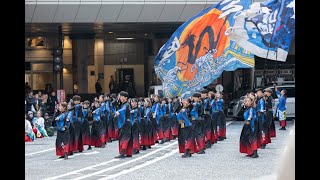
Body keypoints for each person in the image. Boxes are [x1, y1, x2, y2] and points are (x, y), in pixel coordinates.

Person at [115, 91, 133, 158]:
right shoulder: (123, 104)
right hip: (126, 123)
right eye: (120, 96)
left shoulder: (126, 105)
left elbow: (123, 110)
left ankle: (123, 153)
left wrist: (118, 112)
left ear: (126, 98)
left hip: (126, 123)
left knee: (124, 138)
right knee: (126, 137)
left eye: (122, 96)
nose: (121, 98)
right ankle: (128, 152)